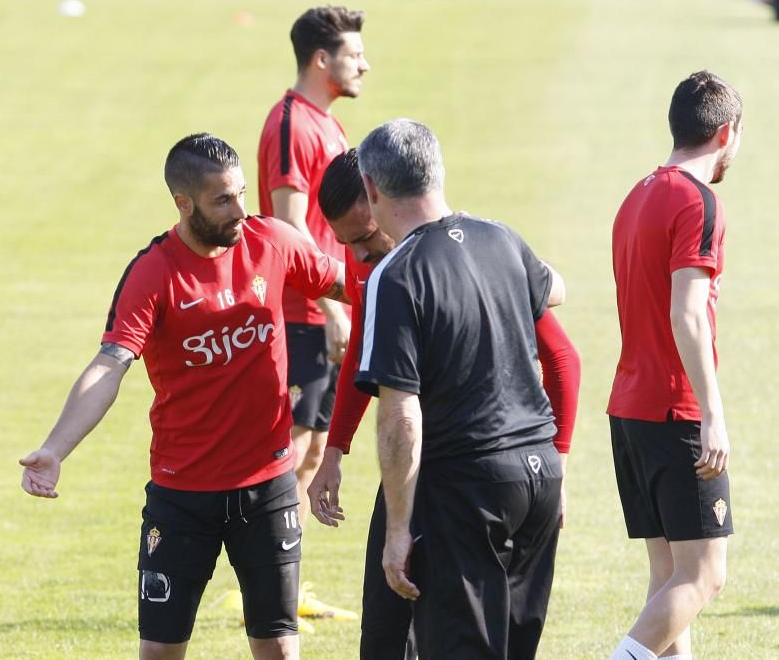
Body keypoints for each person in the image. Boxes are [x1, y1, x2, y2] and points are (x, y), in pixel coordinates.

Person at [19, 133, 347, 660]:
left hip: (268, 489)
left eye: (241, 193)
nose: (241, 209)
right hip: (183, 496)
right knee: (161, 652)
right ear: (183, 202)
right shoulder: (153, 272)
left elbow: (351, 281)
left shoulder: (273, 242)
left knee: (280, 649)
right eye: (223, 200)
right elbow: (111, 364)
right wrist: (55, 449)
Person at [307, 149, 581, 660]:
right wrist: (335, 450)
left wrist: (558, 458)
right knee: (388, 635)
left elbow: (563, 357)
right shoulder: (386, 267)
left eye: (364, 238)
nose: (359, 256)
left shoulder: (450, 259)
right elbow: (366, 357)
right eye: (346, 245)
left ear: (379, 199)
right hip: (424, 477)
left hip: (459, 484)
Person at [607, 71, 742, 660]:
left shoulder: (637, 194)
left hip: (630, 409)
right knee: (706, 574)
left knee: (669, 577)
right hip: (675, 411)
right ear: (726, 132)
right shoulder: (699, 201)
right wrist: (712, 414)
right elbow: (687, 314)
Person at [256, 4, 370, 621]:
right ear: (321, 59)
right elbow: (289, 227)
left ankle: (289, 586)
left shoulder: (325, 123)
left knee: (315, 446)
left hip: (326, 309)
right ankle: (271, 582)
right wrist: (331, 310)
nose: (364, 64)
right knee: (294, 447)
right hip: (303, 314)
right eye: (354, 54)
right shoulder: (291, 125)